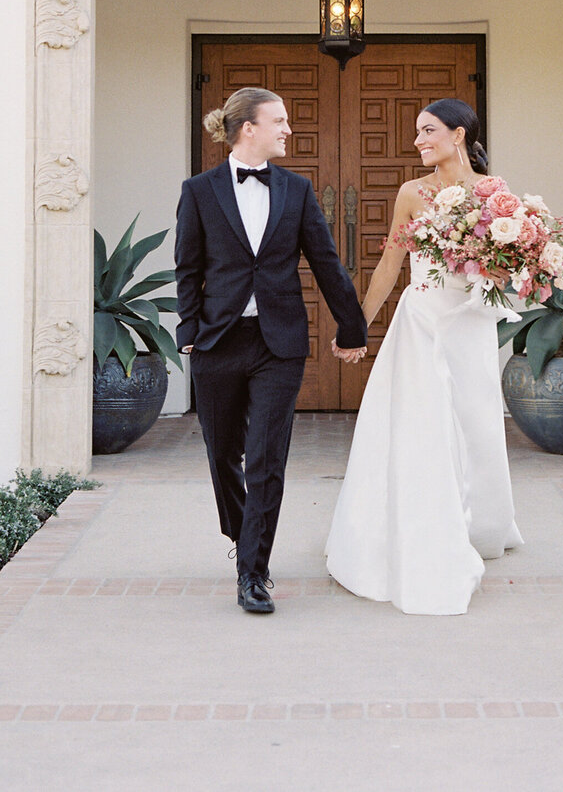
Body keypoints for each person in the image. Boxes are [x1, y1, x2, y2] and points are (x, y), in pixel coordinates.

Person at [325, 97, 522, 615]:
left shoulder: (494, 195)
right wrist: (356, 327)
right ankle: (425, 525)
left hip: (471, 326)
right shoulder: (412, 193)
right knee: (423, 426)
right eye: (417, 132)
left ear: (458, 134)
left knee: (475, 422)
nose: (418, 141)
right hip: (422, 324)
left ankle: (480, 522)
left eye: (427, 130)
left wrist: (503, 272)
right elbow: (391, 264)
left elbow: (510, 264)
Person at [175, 86, 368, 615]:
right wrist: (187, 327)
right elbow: (188, 266)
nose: (288, 129)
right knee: (222, 455)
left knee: (266, 457)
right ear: (248, 129)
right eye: (278, 120)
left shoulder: (296, 190)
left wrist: (352, 327)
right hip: (217, 341)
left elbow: (327, 262)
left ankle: (253, 572)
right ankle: (242, 531)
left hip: (278, 344)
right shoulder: (199, 191)